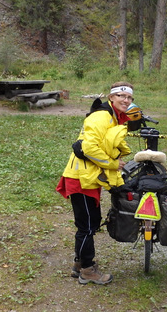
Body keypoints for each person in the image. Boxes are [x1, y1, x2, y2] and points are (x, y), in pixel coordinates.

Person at [56, 81, 134, 285]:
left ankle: (80, 265)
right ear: (111, 97)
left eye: (129, 98)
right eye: (121, 96)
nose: (126, 100)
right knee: (87, 226)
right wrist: (112, 164)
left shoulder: (113, 117)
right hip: (80, 178)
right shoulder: (102, 116)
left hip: (87, 177)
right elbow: (89, 148)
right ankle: (87, 271)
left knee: (88, 223)